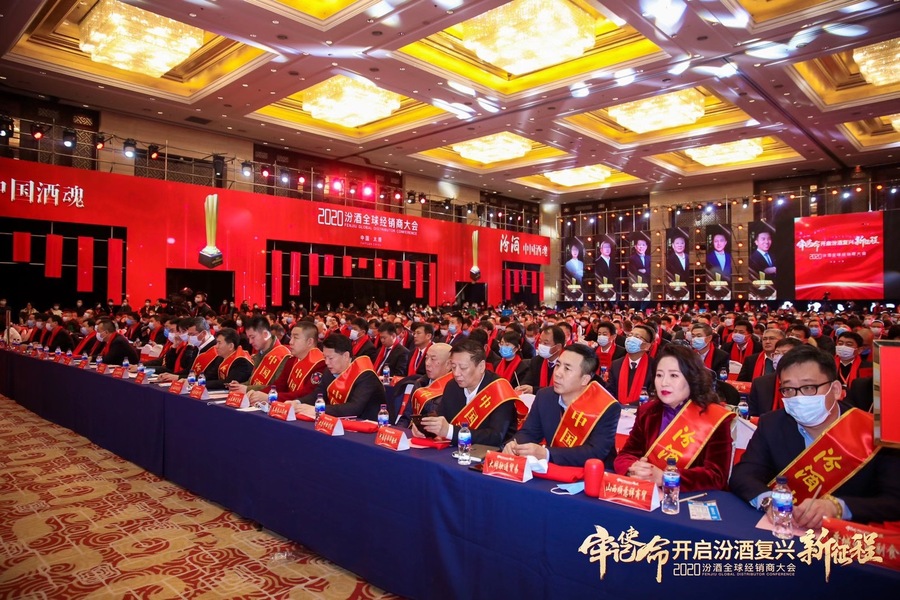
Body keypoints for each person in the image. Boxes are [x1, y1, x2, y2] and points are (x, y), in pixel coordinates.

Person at [730, 345, 900, 526]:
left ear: (835, 390)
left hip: (848, 534)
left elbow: (894, 500)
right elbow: (744, 474)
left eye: (809, 387)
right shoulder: (771, 424)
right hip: (786, 529)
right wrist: (769, 500)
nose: (798, 397)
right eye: (788, 389)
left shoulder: (873, 432)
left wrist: (838, 507)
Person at [615, 344, 734, 492]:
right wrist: (633, 468)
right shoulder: (648, 411)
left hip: (691, 497)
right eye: (659, 375)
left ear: (691, 378)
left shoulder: (713, 417)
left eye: (674, 375)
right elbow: (626, 455)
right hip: (649, 494)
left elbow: (717, 476)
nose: (664, 383)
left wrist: (666, 477)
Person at [505, 344, 620, 468]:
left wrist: (546, 454)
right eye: (558, 365)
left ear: (585, 379)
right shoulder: (545, 396)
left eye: (567, 369)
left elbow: (595, 452)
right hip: (554, 469)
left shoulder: (606, 407)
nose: (558, 373)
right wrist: (514, 445)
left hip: (592, 473)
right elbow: (529, 433)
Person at [413, 340, 521, 448]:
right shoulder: (452, 386)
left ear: (481, 366)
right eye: (453, 367)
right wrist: (425, 429)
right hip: (456, 450)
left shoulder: (499, 389)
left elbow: (495, 437)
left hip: (491, 453)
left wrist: (450, 431)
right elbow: (441, 416)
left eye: (463, 368)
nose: (456, 373)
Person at [295, 334, 385, 421]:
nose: (326, 362)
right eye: (325, 357)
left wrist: (319, 409)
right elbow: (318, 395)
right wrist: (297, 402)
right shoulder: (329, 371)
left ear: (345, 356)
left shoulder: (365, 374)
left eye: (330, 358)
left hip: (368, 424)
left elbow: (354, 408)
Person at [248, 321, 325, 404]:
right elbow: (279, 386)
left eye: (295, 338)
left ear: (309, 342)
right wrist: (257, 394)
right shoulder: (292, 360)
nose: (290, 342)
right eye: (291, 337)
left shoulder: (320, 364)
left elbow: (307, 394)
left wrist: (271, 397)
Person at [394, 342, 454, 428]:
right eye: (426, 358)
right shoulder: (420, 383)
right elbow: (406, 417)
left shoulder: (454, 389)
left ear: (448, 364)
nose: (427, 363)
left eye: (433, 359)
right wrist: (398, 431)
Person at [228, 316, 292, 394]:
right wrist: (239, 386)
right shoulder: (261, 352)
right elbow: (253, 381)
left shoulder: (283, 355)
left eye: (253, 337)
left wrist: (247, 389)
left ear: (265, 334)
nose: (250, 342)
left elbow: (277, 387)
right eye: (249, 338)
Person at [746, 337, 803, 417]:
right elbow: (753, 415)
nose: (779, 357)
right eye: (776, 353)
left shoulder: (807, 384)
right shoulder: (760, 383)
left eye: (785, 354)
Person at [605, 324, 655, 405]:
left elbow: (653, 394)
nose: (631, 339)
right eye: (630, 335)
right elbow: (610, 391)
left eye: (637, 337)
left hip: (643, 409)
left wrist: (630, 406)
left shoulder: (654, 366)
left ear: (646, 346)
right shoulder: (616, 365)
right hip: (618, 408)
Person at [515, 325, 565, 395]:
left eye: (545, 343)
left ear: (558, 347)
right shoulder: (537, 361)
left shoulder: (567, 365)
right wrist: (523, 388)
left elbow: (563, 390)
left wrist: (534, 390)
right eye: (540, 341)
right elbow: (527, 381)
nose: (541, 345)